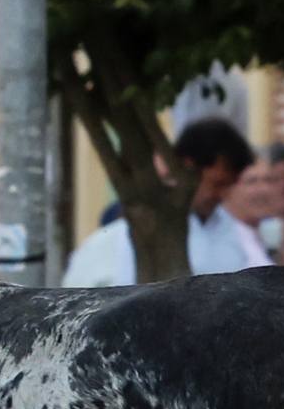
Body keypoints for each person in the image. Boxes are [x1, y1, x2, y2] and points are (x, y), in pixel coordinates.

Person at [59, 118, 265, 287]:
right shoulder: (113, 242)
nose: (221, 195)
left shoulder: (232, 232)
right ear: (187, 168)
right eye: (217, 184)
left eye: (228, 186)